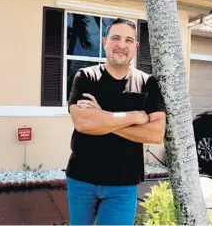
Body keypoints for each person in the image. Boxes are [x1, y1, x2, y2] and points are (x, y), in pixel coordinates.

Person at [65, 18, 167, 225]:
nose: (122, 45)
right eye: (116, 38)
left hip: (123, 184)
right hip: (81, 179)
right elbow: (83, 123)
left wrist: (102, 117)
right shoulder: (86, 77)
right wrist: (134, 117)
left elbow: (156, 134)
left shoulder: (147, 83)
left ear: (135, 47)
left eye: (129, 40)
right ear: (105, 42)